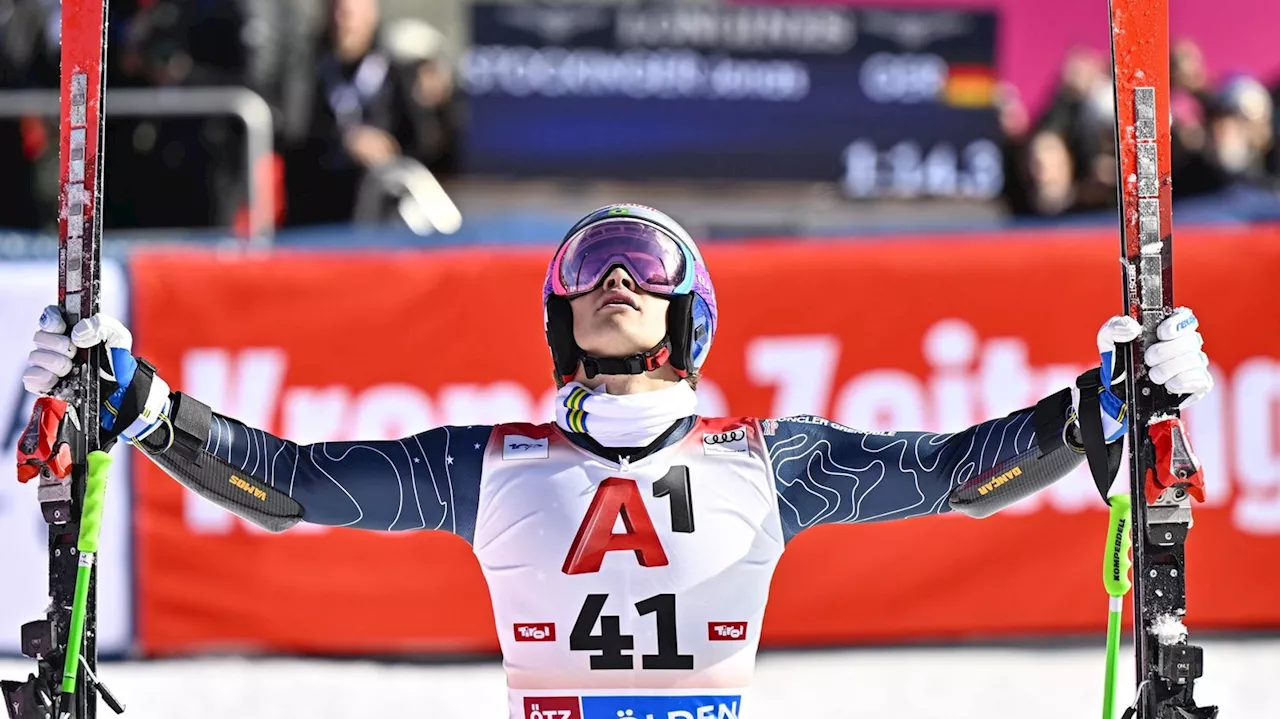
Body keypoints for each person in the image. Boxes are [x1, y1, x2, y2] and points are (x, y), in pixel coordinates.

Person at [22, 204, 1214, 719]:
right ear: (557, 319)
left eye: (642, 264)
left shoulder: (774, 458)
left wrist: (1094, 404)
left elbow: (959, 471)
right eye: (591, 266)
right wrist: (142, 402)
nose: (615, 278)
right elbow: (284, 485)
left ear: (688, 313)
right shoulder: (486, 462)